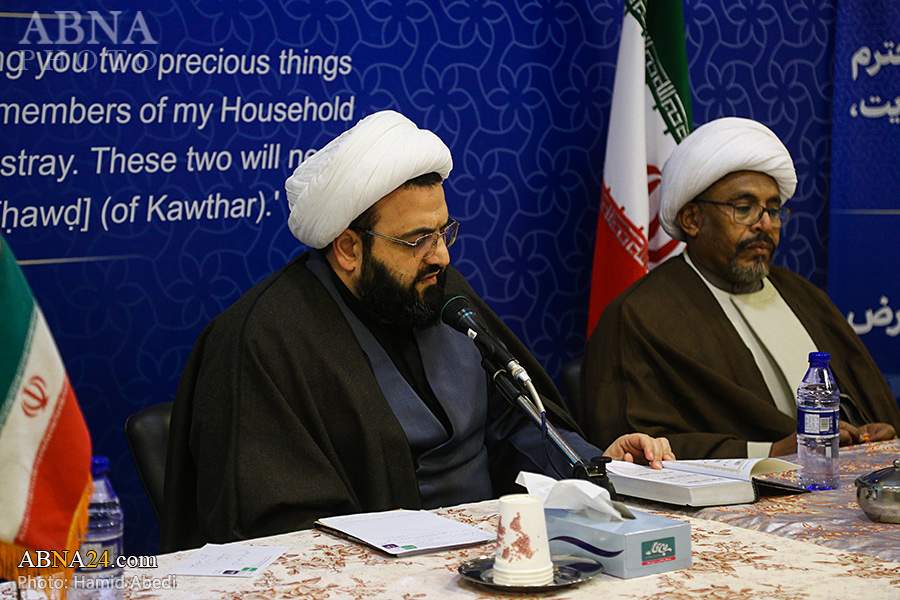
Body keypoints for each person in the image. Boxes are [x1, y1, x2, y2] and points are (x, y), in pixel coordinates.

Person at [161, 110, 673, 553]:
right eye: (417, 240)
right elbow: (278, 525)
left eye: (444, 231)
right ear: (348, 248)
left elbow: (514, 427)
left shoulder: (439, 292)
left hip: (497, 558)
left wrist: (590, 466)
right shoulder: (263, 339)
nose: (441, 256)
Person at [580, 116, 900, 460]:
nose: (765, 224)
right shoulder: (638, 314)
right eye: (744, 209)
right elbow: (629, 442)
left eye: (773, 210)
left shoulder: (802, 295)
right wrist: (769, 452)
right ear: (692, 219)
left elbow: (864, 396)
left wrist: (870, 430)